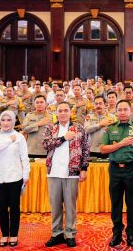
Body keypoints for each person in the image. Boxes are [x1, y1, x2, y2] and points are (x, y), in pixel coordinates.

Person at [100, 100, 133, 247]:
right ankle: (117, 233)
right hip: (115, 169)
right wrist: (122, 143)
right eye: (119, 109)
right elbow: (103, 149)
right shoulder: (110, 128)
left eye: (125, 109)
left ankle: (131, 233)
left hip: (132, 169)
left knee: (131, 203)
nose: (122, 112)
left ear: (130, 111)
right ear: (116, 111)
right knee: (116, 202)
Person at [42, 102, 90, 248]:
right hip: (54, 172)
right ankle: (56, 233)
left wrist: (84, 168)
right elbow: (45, 144)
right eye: (60, 111)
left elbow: (86, 148)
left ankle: (70, 234)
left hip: (72, 172)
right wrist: (64, 138)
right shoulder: (51, 128)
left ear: (71, 112)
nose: (63, 113)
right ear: (56, 113)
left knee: (70, 206)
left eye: (65, 110)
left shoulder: (79, 128)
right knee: (55, 206)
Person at [0, 110, 30, 247]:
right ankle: (4, 234)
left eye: (9, 120)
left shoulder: (19, 137)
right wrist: (8, 140)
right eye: (3, 120)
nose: (6, 123)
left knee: (14, 207)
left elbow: (24, 157)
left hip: (15, 176)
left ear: (13, 121)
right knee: (1, 207)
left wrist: (26, 175)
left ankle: (14, 234)